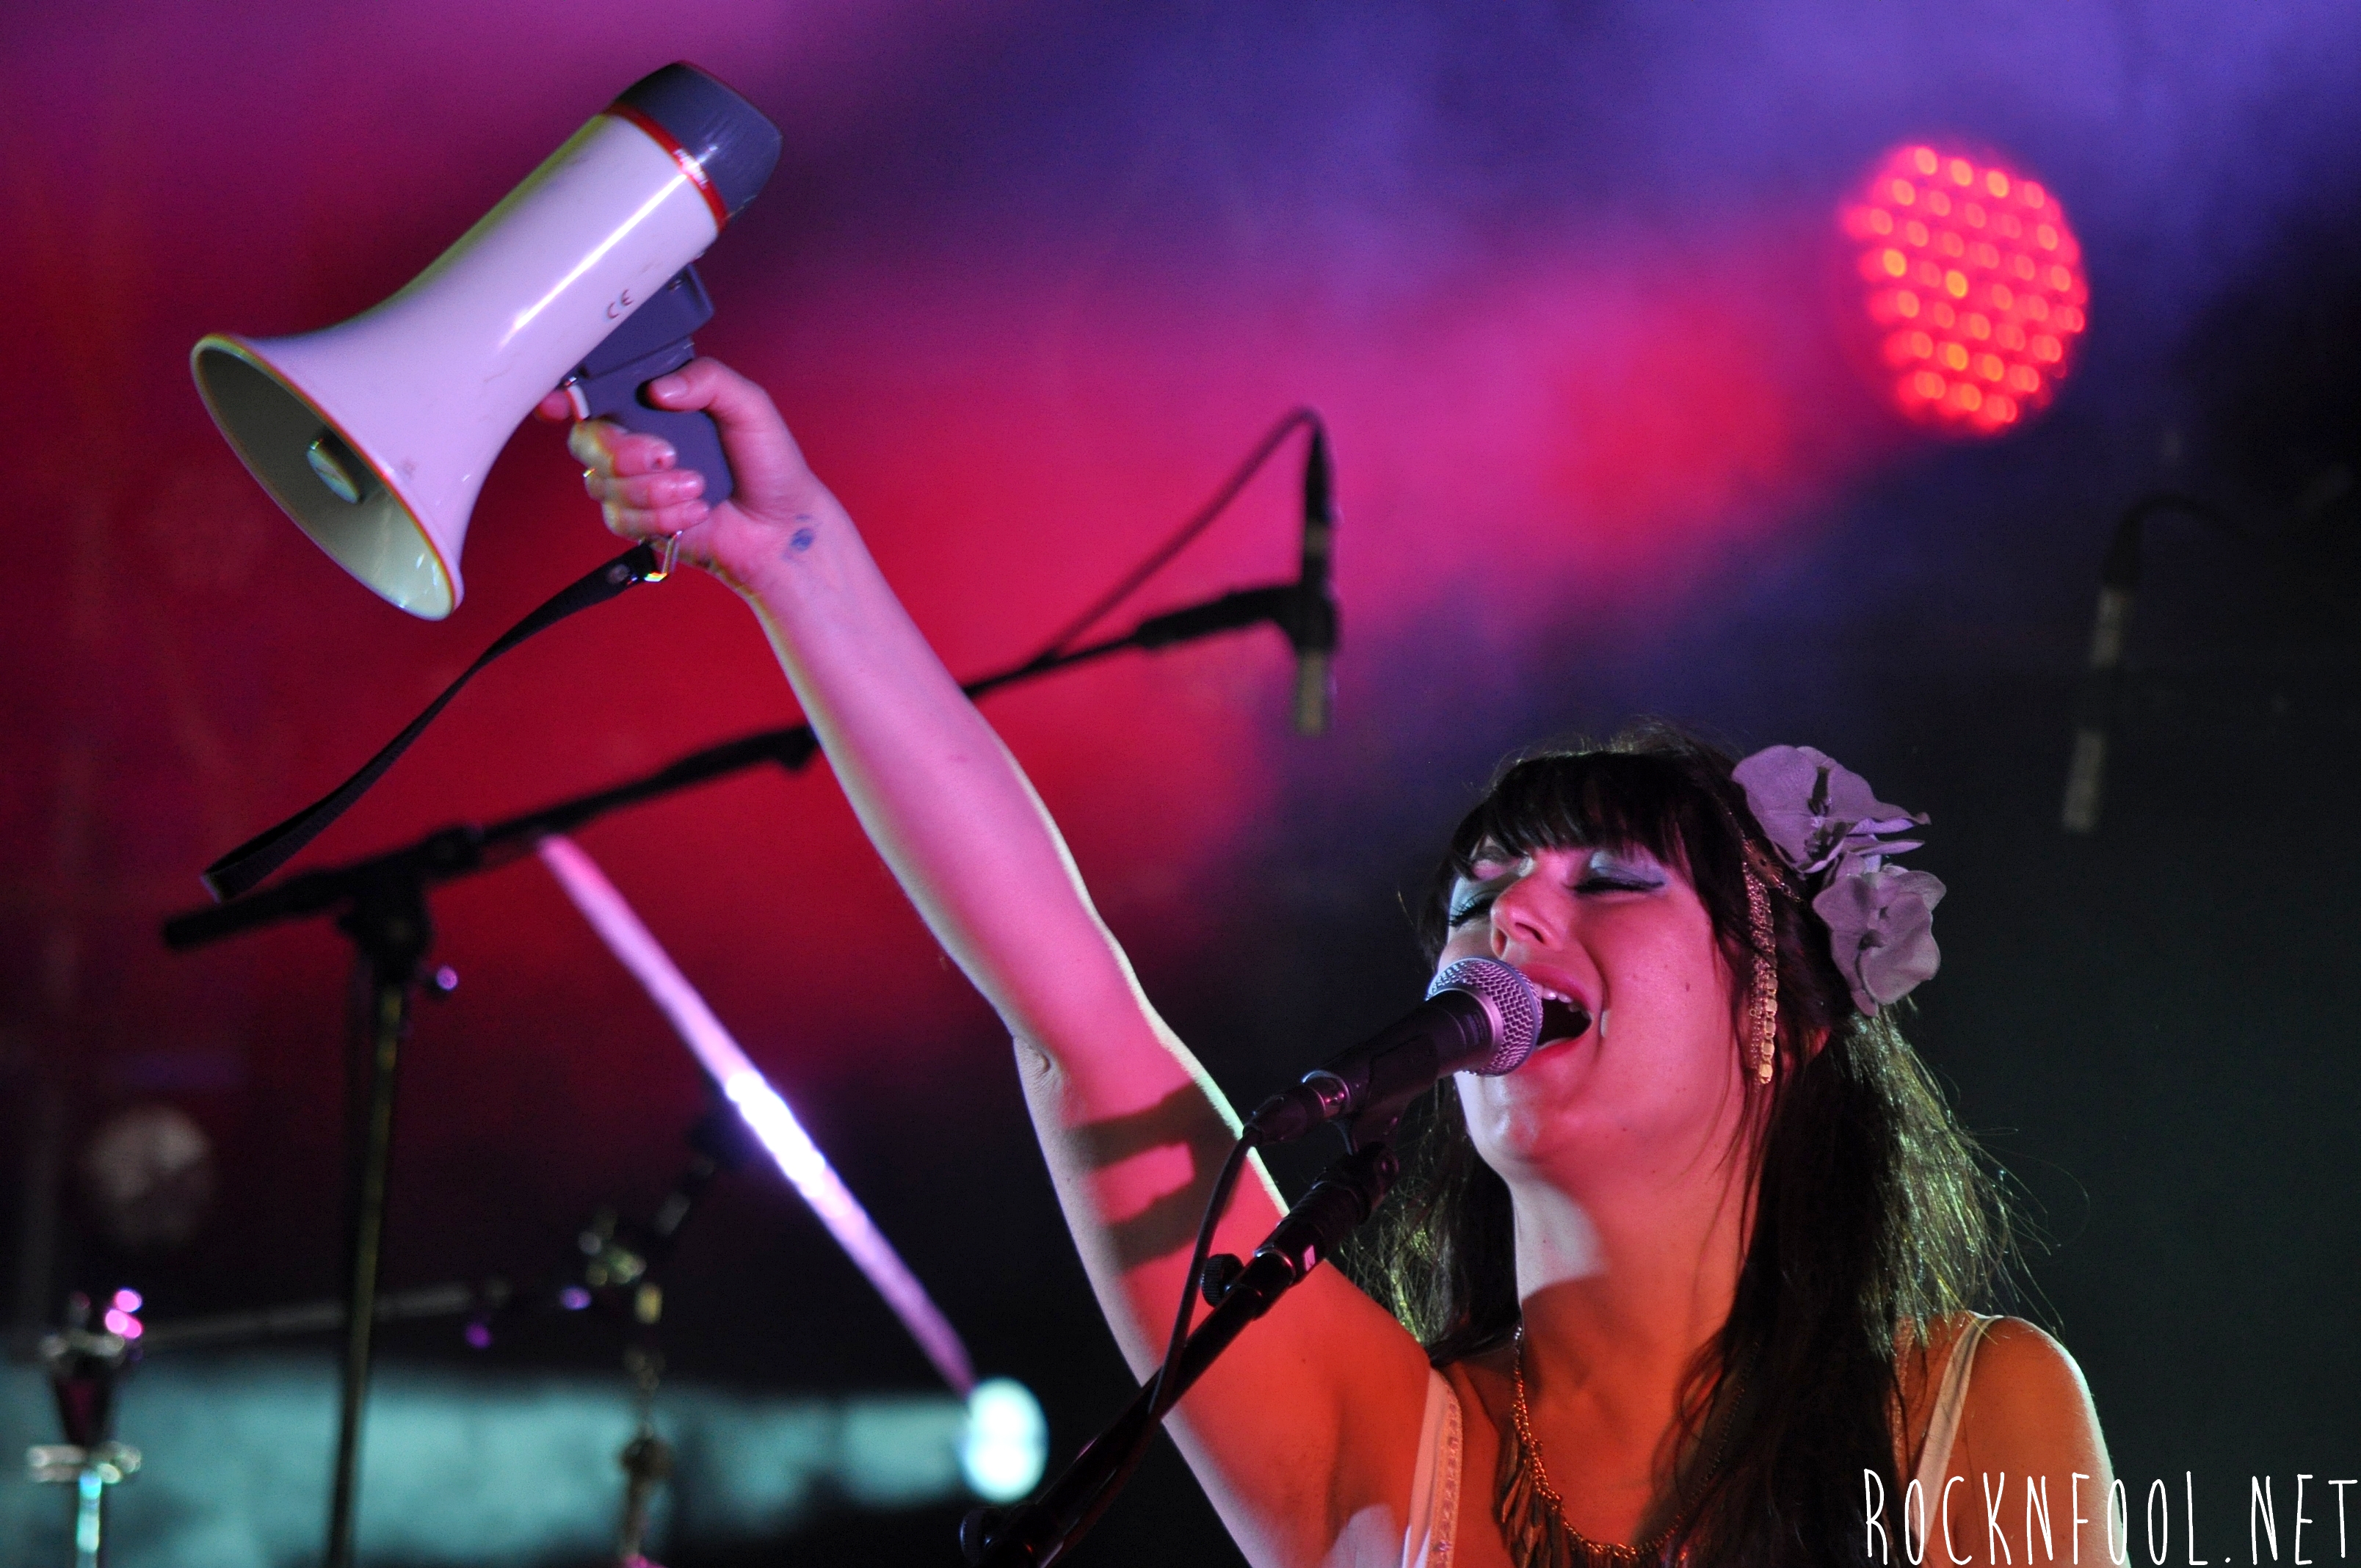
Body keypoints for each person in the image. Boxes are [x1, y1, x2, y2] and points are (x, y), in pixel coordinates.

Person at [544, 360, 2112, 1567]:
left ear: (1784, 1019)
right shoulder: (1381, 1445)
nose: (1507, 919)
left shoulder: (1970, 1414)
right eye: (1480, 892)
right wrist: (797, 559)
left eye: (1611, 881)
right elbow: (1079, 1019)